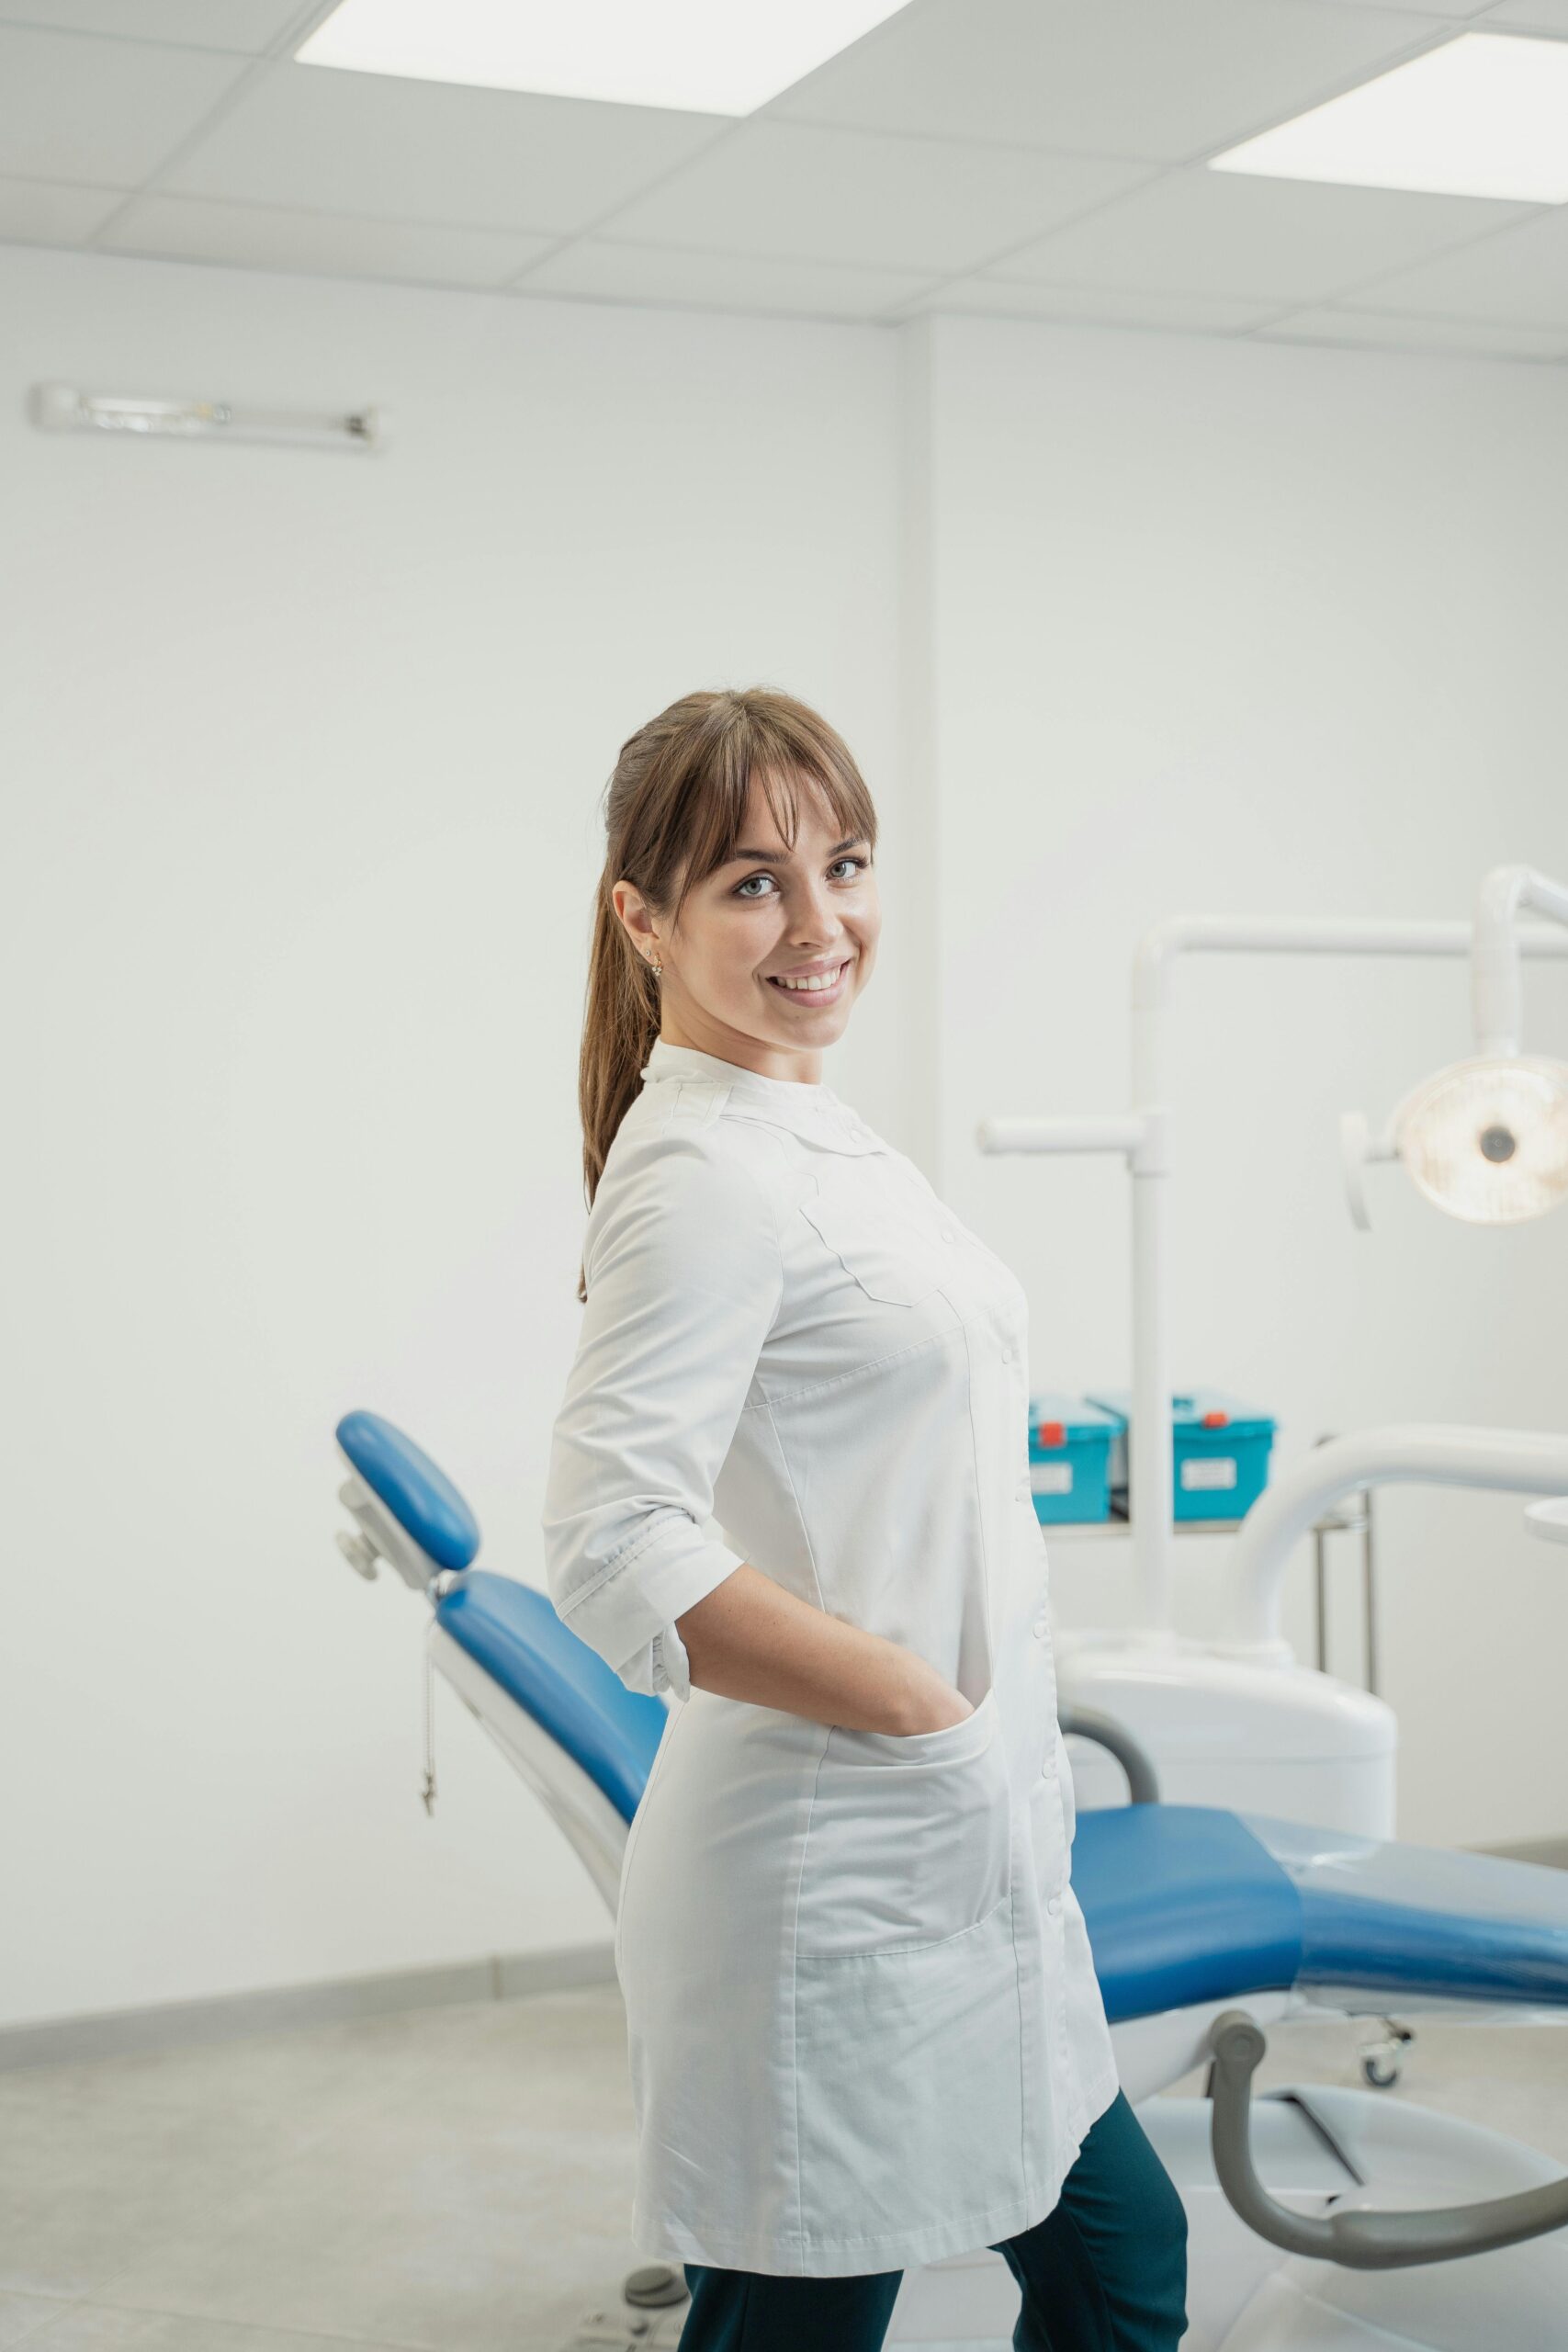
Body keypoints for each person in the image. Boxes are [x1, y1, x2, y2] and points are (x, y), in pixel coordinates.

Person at [542, 687, 1187, 2348]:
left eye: (848, 863)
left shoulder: (807, 1124)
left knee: (1122, 2267)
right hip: (835, 1888)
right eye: (753, 882)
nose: (822, 923)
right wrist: (921, 1704)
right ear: (644, 917)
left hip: (963, 1862)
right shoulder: (702, 1174)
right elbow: (616, 1539)